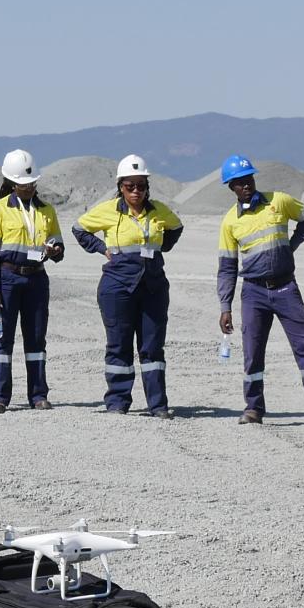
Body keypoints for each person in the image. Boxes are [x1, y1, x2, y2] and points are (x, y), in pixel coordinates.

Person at [214, 155, 304, 429]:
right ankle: (254, 407)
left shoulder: (278, 201)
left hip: (285, 288)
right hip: (254, 293)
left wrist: (291, 245)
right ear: (230, 187)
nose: (246, 185)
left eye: (249, 179)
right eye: (239, 183)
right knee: (252, 353)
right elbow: (227, 267)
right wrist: (225, 306)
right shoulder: (230, 222)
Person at [74, 155, 183, 416]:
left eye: (141, 185)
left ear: (147, 187)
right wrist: (102, 249)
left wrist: (161, 248)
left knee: (152, 347)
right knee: (119, 345)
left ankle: (157, 405)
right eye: (130, 186)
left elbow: (176, 228)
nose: (136, 191)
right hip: (117, 286)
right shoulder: (109, 210)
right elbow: (79, 229)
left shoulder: (159, 211)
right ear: (120, 187)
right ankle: (117, 402)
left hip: (153, 286)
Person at [0, 148, 63, 412]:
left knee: (36, 340)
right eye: (23, 184)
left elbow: (58, 245)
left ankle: (38, 394)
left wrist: (55, 250)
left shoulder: (47, 210)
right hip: (7, 280)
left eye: (31, 183)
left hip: (37, 280)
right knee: (1, 338)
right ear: (11, 183)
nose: (28, 187)